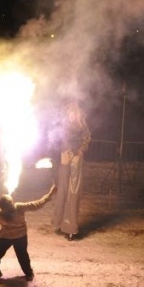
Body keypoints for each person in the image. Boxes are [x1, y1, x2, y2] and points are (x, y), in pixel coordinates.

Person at [52, 101, 91, 241]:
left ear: (78, 113)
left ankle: (70, 229)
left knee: (73, 192)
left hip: (76, 157)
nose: (72, 115)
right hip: (65, 155)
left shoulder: (82, 125)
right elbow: (59, 138)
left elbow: (87, 138)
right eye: (70, 113)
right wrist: (64, 149)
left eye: (74, 113)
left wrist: (81, 150)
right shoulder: (64, 124)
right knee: (62, 189)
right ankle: (58, 223)